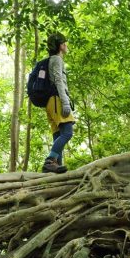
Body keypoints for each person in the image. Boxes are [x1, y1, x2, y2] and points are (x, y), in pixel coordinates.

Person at [42, 32, 75, 174]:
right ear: (60, 46)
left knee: (58, 135)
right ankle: (50, 161)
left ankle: (56, 170)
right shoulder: (57, 60)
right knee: (67, 133)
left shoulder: (51, 60)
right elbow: (58, 80)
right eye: (64, 43)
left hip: (50, 103)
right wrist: (65, 102)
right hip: (57, 100)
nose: (66, 45)